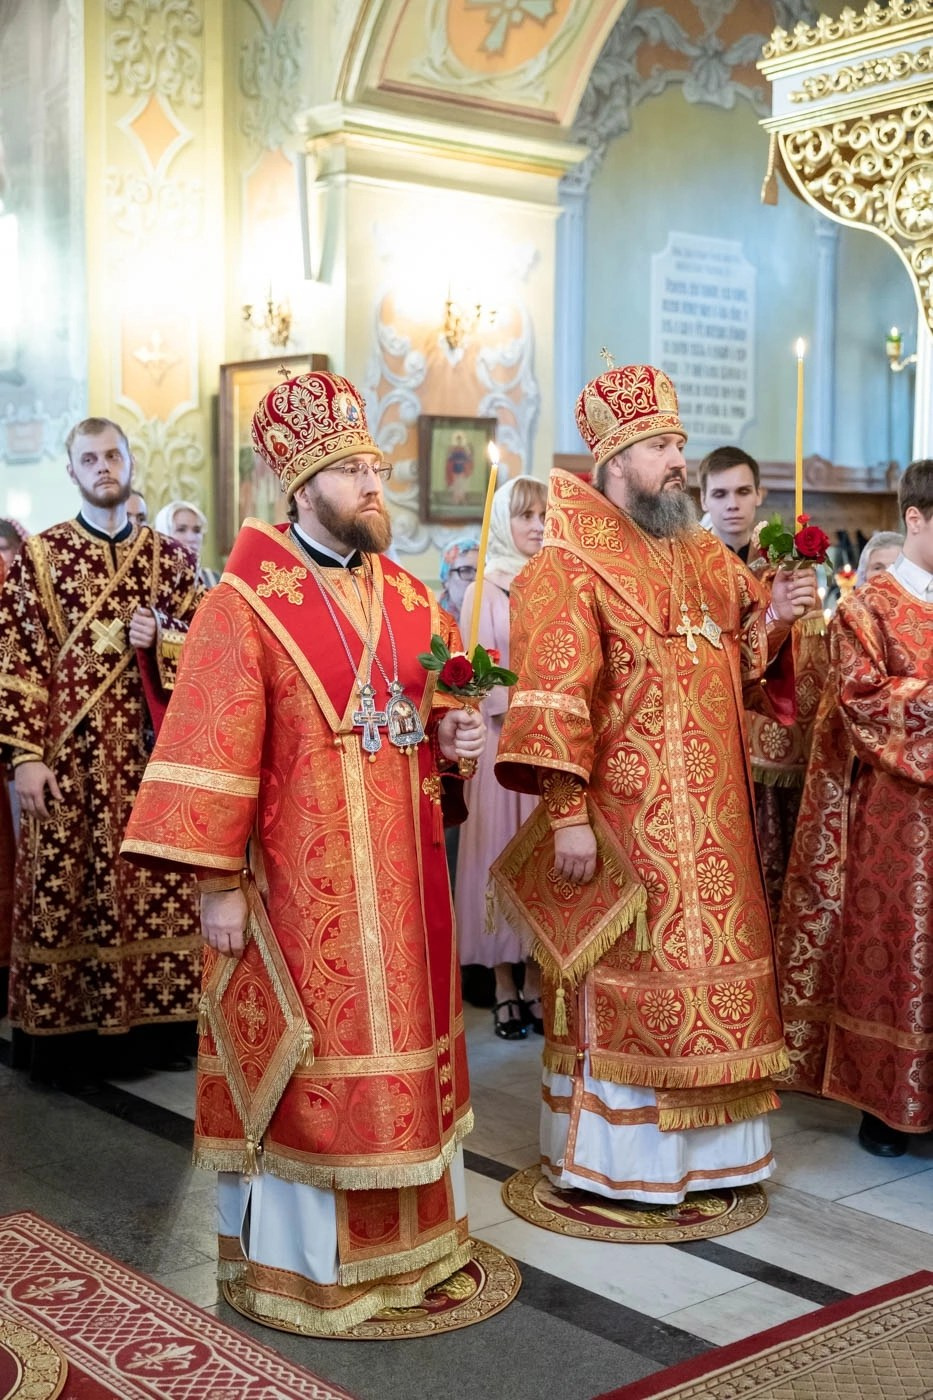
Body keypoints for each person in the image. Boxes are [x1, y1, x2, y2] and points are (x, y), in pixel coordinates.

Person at [122, 369, 486, 1335]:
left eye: (376, 465)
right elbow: (210, 746)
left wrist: (455, 739)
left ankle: (418, 1251)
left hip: (405, 892)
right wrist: (215, 881)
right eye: (351, 469)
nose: (375, 483)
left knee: (405, 1053)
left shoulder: (411, 597)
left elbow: (433, 716)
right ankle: (305, 1270)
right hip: (297, 887)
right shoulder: (242, 606)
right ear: (300, 486)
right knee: (313, 1062)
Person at [495, 363, 817, 1205]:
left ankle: (719, 1159)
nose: (679, 460)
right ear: (614, 460)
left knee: (718, 977)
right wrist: (564, 813)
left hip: (714, 826)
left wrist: (777, 617)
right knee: (630, 985)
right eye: (660, 446)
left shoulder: (702, 552)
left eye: (678, 443)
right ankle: (624, 1165)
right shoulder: (568, 564)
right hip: (626, 827)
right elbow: (553, 696)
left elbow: (744, 662)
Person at [0, 417, 203, 1086]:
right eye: (89, 458)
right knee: (65, 888)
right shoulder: (41, 558)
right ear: (72, 472)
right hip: (67, 763)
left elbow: (208, 657)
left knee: (158, 887)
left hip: (151, 762)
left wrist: (164, 636)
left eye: (112, 454)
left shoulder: (171, 558)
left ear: (130, 461)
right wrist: (23, 755)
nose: (103, 466)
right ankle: (67, 1040)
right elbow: (16, 656)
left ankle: (158, 1033)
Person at [775, 464, 931, 1159]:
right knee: (899, 953)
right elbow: (864, 700)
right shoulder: (865, 607)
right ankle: (885, 1104)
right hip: (897, 816)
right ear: (916, 518)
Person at [700, 445, 828, 924]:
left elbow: (807, 651)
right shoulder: (689, 559)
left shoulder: (781, 558)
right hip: (710, 724)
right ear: (704, 500)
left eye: (742, 491)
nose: (732, 503)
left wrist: (803, 615)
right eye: (720, 493)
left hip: (766, 728)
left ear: (759, 495)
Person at [455, 475, 547, 1038]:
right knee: (499, 857)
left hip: (546, 742)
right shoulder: (483, 588)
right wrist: (526, 700)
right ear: (502, 524)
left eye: (544, 516)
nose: (537, 526)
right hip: (499, 741)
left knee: (539, 859)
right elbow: (477, 675)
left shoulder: (558, 581)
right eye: (525, 516)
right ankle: (506, 986)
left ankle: (539, 978)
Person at [154, 498, 220, 587]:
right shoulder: (154, 580)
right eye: (181, 530)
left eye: (197, 530)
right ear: (164, 534)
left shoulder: (213, 579)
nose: (191, 538)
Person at [436, 535, 480, 626]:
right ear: (446, 580)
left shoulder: (499, 619)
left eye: (483, 571)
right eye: (466, 570)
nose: (477, 579)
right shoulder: (429, 624)